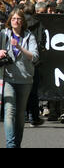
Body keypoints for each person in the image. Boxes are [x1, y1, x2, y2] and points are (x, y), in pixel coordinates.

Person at [0, 9, 39, 148]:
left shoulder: (29, 36)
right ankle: (11, 145)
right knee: (9, 111)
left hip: (25, 79)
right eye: (13, 19)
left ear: (22, 22)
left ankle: (17, 144)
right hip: (8, 78)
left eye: (19, 19)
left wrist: (20, 48)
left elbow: (34, 57)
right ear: (10, 21)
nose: (16, 21)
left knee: (20, 114)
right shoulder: (4, 34)